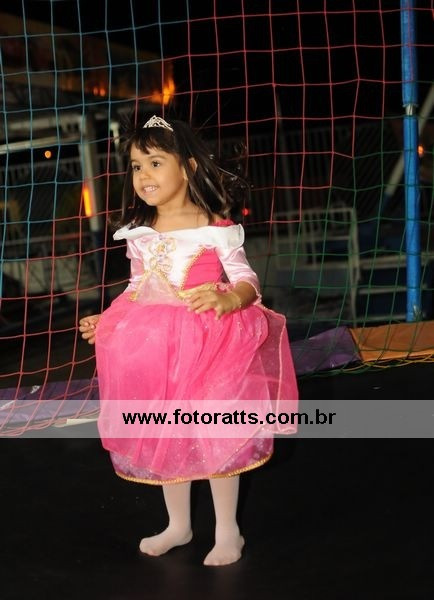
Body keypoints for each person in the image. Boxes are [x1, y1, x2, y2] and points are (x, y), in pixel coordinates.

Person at [79, 114, 298, 566]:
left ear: (188, 167)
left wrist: (230, 299)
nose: (144, 175)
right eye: (137, 166)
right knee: (166, 432)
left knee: (216, 431)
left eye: (155, 163)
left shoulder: (213, 224)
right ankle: (178, 525)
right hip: (156, 346)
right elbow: (137, 286)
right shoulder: (139, 231)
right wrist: (109, 319)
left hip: (211, 342)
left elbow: (247, 280)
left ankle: (228, 530)